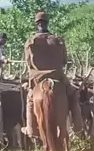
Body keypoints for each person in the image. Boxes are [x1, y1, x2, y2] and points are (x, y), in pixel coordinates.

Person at [23, 11, 82, 139]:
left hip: (38, 79)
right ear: (47, 23)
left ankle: (31, 129)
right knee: (73, 95)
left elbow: (28, 63)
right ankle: (78, 126)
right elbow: (64, 61)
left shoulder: (30, 42)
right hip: (58, 77)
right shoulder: (58, 40)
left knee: (30, 99)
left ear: (37, 24)